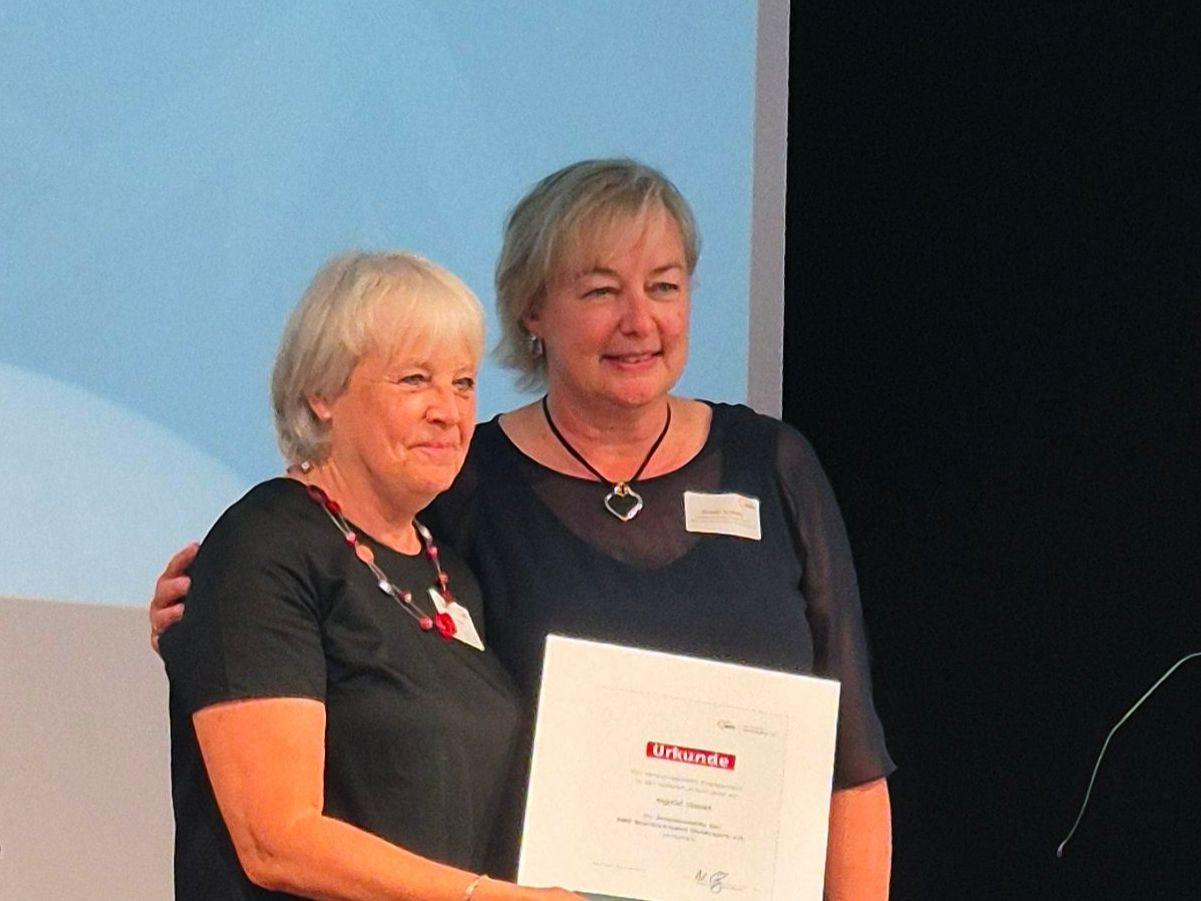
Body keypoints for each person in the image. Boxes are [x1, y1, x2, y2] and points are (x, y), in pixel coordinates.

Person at [153, 160, 895, 899]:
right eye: (601, 290)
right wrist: (215, 612)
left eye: (664, 286)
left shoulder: (773, 467)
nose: (639, 320)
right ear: (533, 309)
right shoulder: (457, 485)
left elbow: (851, 756)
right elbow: (318, 581)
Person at [157, 251, 581, 900]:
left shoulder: (448, 572)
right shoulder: (264, 548)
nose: (448, 411)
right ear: (321, 393)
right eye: (415, 379)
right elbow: (277, 838)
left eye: (463, 383)